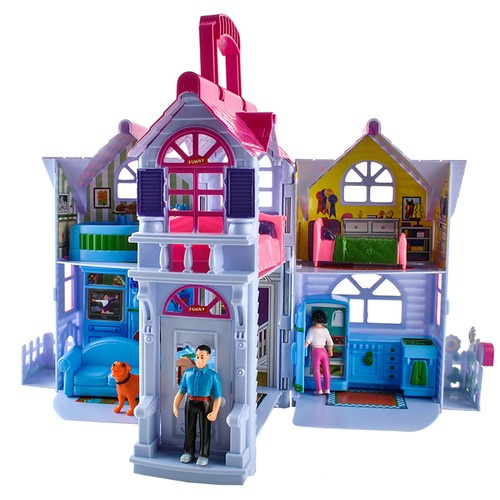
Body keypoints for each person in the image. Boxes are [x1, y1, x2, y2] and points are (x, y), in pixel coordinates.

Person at [173, 344, 222, 467]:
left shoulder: (212, 375)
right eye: (197, 356)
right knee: (189, 429)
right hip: (190, 402)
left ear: (208, 357)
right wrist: (175, 405)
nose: (199, 359)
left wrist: (215, 411)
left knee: (205, 430)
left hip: (205, 404)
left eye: (202, 357)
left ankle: (204, 454)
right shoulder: (188, 373)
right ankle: (188, 452)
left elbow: (217, 396)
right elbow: (181, 391)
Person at [305, 309, 333, 395]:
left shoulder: (311, 330)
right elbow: (330, 342)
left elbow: (307, 342)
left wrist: (303, 349)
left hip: (316, 351)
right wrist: (330, 352)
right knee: (326, 370)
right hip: (324, 351)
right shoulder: (325, 330)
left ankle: (319, 389)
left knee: (316, 370)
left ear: (313, 319)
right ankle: (327, 389)